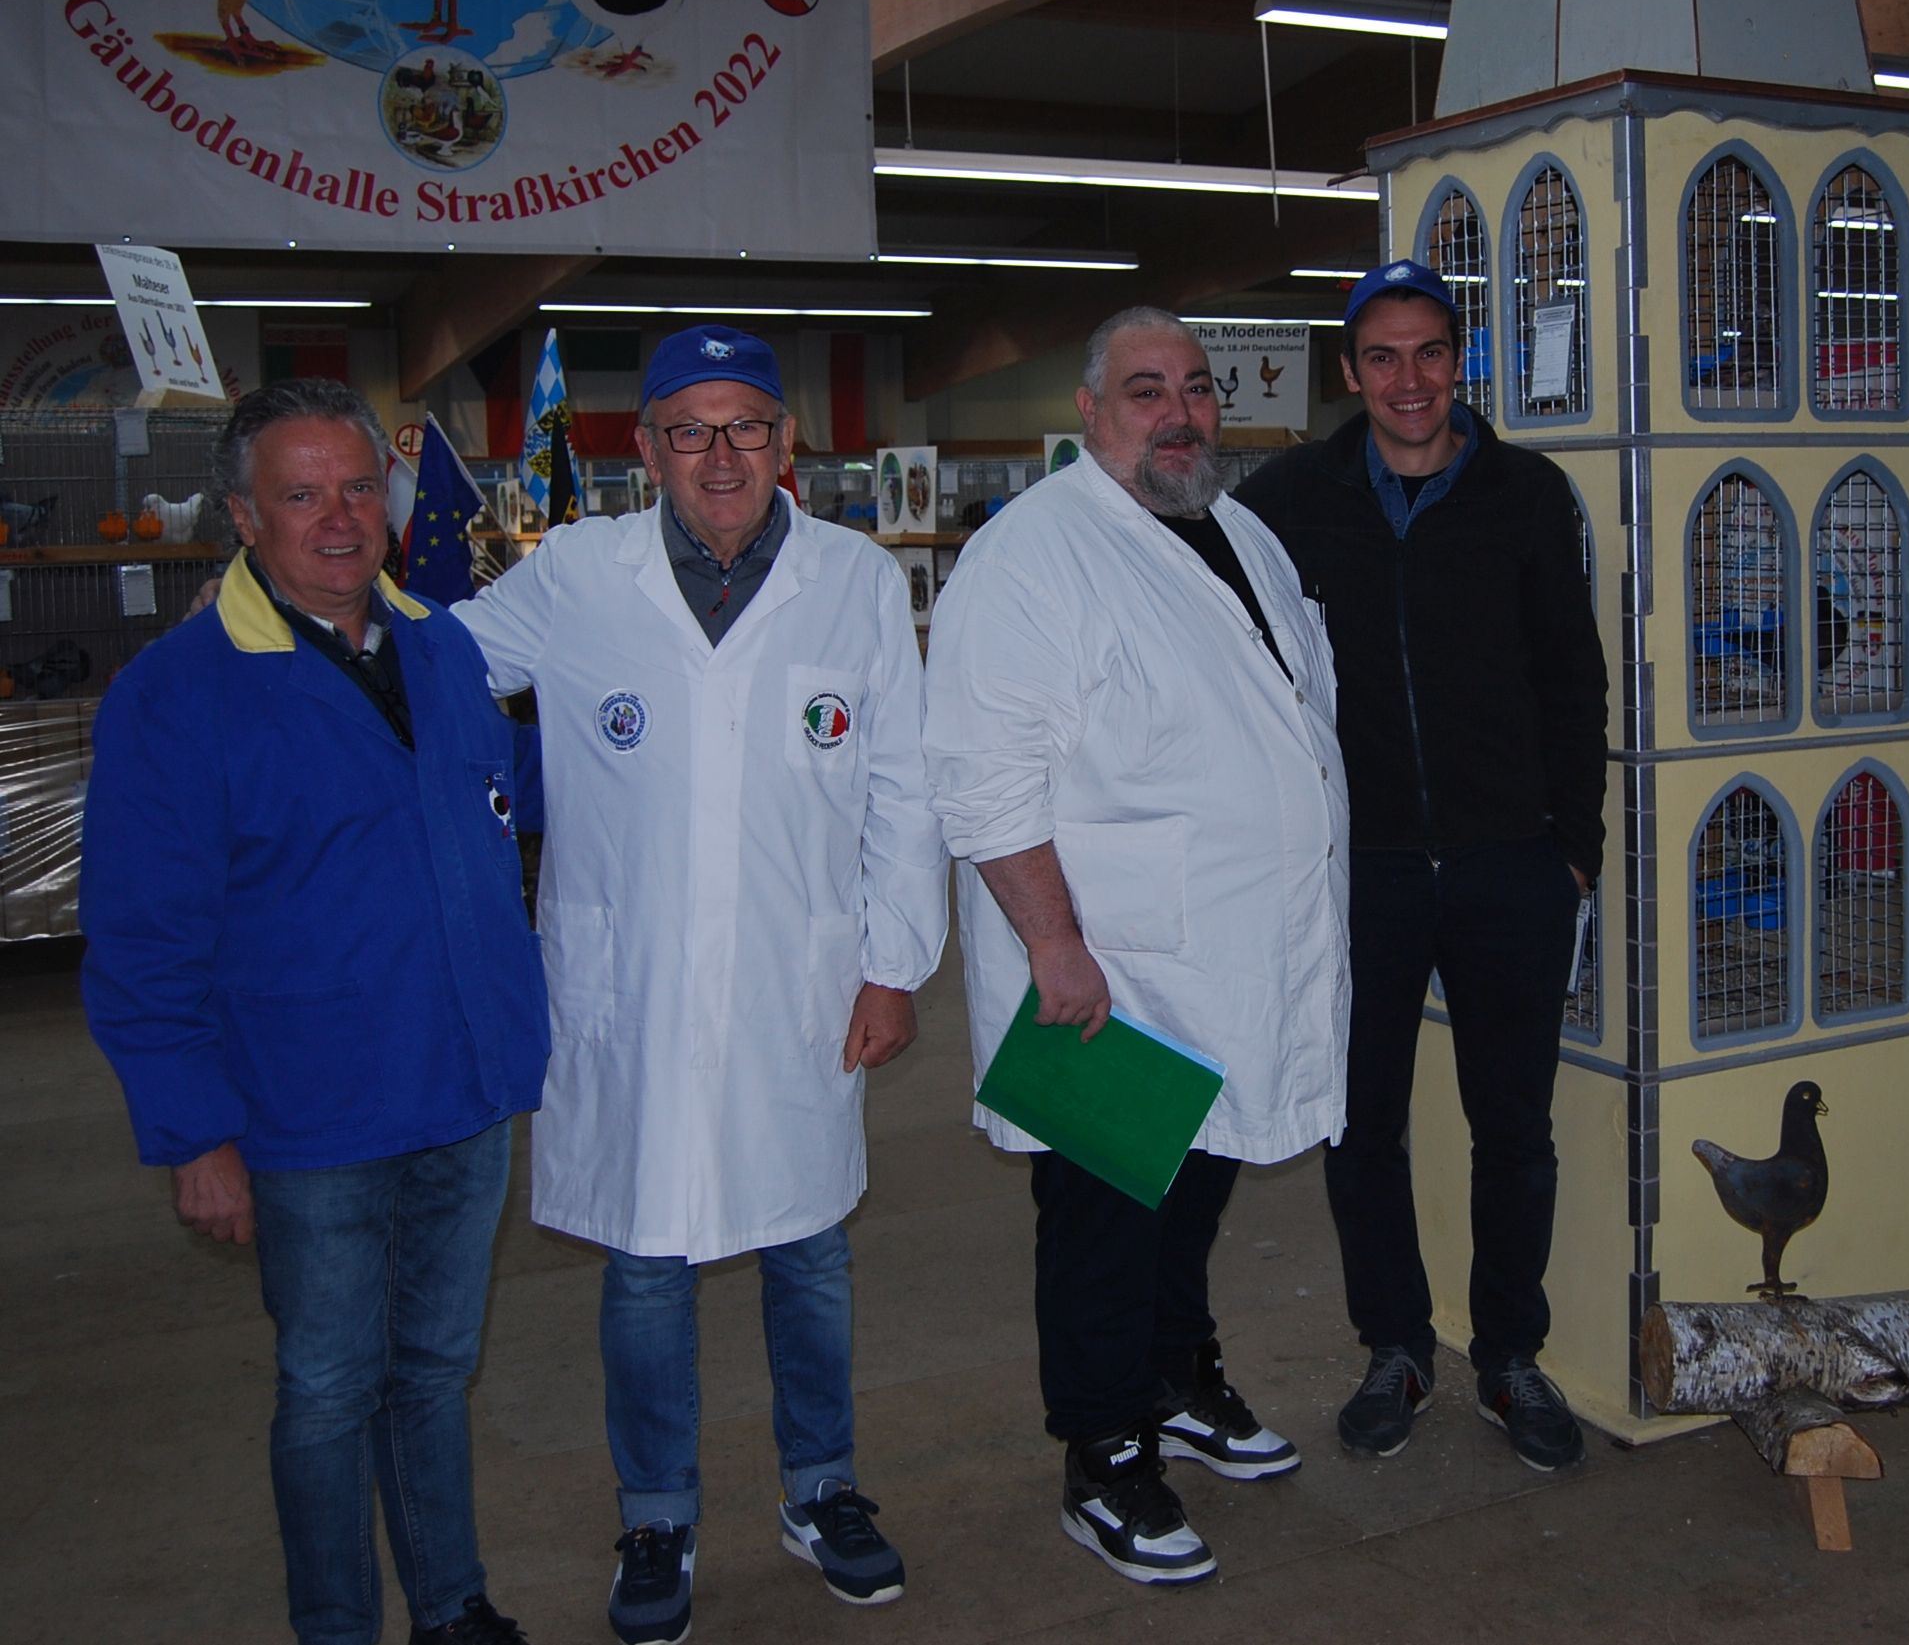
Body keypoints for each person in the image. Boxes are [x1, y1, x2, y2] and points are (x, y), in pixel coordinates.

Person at [449, 326, 946, 1644]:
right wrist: (298, 624)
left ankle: (822, 1487)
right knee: (647, 1261)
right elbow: (436, 666)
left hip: (801, 979)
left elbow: (903, 785)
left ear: (787, 442)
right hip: (639, 982)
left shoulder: (853, 579)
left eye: (747, 427)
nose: (721, 455)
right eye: (691, 429)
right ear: (647, 446)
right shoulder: (578, 577)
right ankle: (657, 1512)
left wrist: (895, 962)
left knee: (809, 1250)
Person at [79, 380, 548, 1645]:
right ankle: (336, 1624)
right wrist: (192, 1132)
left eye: (357, 488)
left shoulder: (444, 649)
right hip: (309, 1114)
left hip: (465, 1086)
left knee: (435, 1369)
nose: (339, 518)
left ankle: (450, 1603)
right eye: (301, 494)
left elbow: (499, 816)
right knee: (332, 1385)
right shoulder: (178, 692)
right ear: (243, 514)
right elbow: (142, 939)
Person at [921, 308, 1349, 1586]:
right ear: (1091, 408)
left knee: (1198, 1177)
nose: (1179, 412)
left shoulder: (1237, 528)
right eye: (1146, 389)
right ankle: (1104, 1450)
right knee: (1106, 1207)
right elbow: (984, 777)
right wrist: (1054, 944)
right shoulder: (1032, 554)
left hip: (1232, 948)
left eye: (1197, 388)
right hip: (1109, 962)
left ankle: (1174, 1375)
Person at [1236, 258, 1608, 1473]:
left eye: (1430, 353)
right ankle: (1395, 1346)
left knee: (1515, 1129)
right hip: (1365, 871)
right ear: (1351, 371)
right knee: (1361, 1128)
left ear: (1460, 361)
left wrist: (1575, 851)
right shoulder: (1287, 498)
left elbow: (1573, 675)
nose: (1409, 379)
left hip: (1510, 864)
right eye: (1383, 357)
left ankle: (1508, 1354)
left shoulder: (1525, 492)